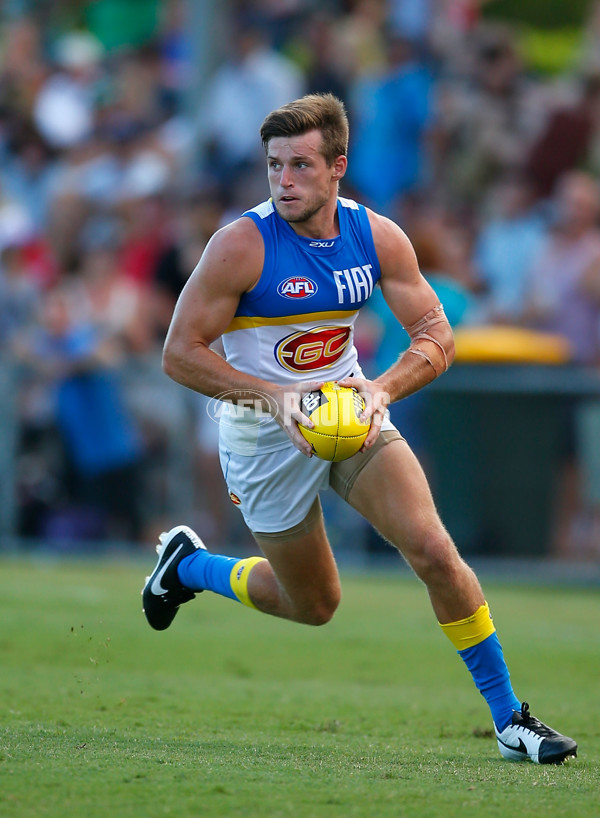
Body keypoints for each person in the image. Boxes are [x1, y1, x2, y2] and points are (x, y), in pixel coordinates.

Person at [142, 93, 577, 765]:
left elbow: (436, 335)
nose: (283, 182)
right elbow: (178, 352)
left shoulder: (376, 236)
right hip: (264, 439)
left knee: (434, 549)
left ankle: (510, 720)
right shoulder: (239, 245)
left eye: (301, 166)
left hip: (351, 415)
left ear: (338, 166)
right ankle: (191, 566)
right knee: (313, 605)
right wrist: (276, 399)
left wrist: (379, 389)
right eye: (274, 166)